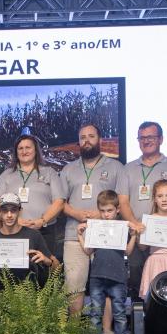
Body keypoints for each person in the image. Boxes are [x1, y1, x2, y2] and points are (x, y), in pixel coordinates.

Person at [119, 121, 167, 303]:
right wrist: (136, 226)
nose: (146, 141)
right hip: (138, 232)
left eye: (150, 137)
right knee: (136, 277)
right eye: (142, 138)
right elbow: (123, 201)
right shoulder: (128, 168)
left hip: (166, 237)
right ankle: (139, 316)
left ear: (160, 139)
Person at [60, 123, 127, 316]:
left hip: (107, 236)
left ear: (100, 140)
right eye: (82, 137)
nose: (86, 141)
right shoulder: (68, 169)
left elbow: (122, 201)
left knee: (108, 284)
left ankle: (105, 331)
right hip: (75, 234)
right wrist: (77, 214)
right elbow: (60, 203)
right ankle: (74, 330)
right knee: (74, 285)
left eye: (91, 136)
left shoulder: (116, 167)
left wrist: (99, 214)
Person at [0, 193, 57, 321]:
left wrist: (47, 261)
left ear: (20, 211)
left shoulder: (33, 235)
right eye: (5, 210)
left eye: (13, 210)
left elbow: (57, 269)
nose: (9, 215)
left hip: (27, 297)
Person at [76, 190, 136, 334]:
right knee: (95, 313)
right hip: (97, 276)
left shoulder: (122, 227)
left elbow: (128, 251)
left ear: (117, 210)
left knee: (120, 314)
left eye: (109, 210)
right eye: (102, 211)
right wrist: (79, 235)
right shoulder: (95, 227)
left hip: (118, 277)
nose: (106, 214)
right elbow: (88, 251)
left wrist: (133, 236)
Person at [0, 132, 65, 254]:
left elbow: (59, 202)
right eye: (20, 148)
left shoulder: (49, 172)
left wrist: (42, 221)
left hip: (44, 231)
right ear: (16, 152)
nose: (24, 151)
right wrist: (14, 220)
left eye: (28, 147)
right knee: (14, 265)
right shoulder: (6, 175)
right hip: (13, 230)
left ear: (36, 150)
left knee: (44, 264)